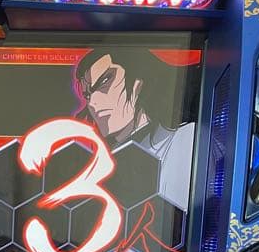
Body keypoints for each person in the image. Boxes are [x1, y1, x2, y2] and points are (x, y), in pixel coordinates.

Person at [75, 47, 196, 212]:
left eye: (104, 82)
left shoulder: (184, 139)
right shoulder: (107, 162)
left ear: (138, 83)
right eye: (87, 95)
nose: (92, 102)